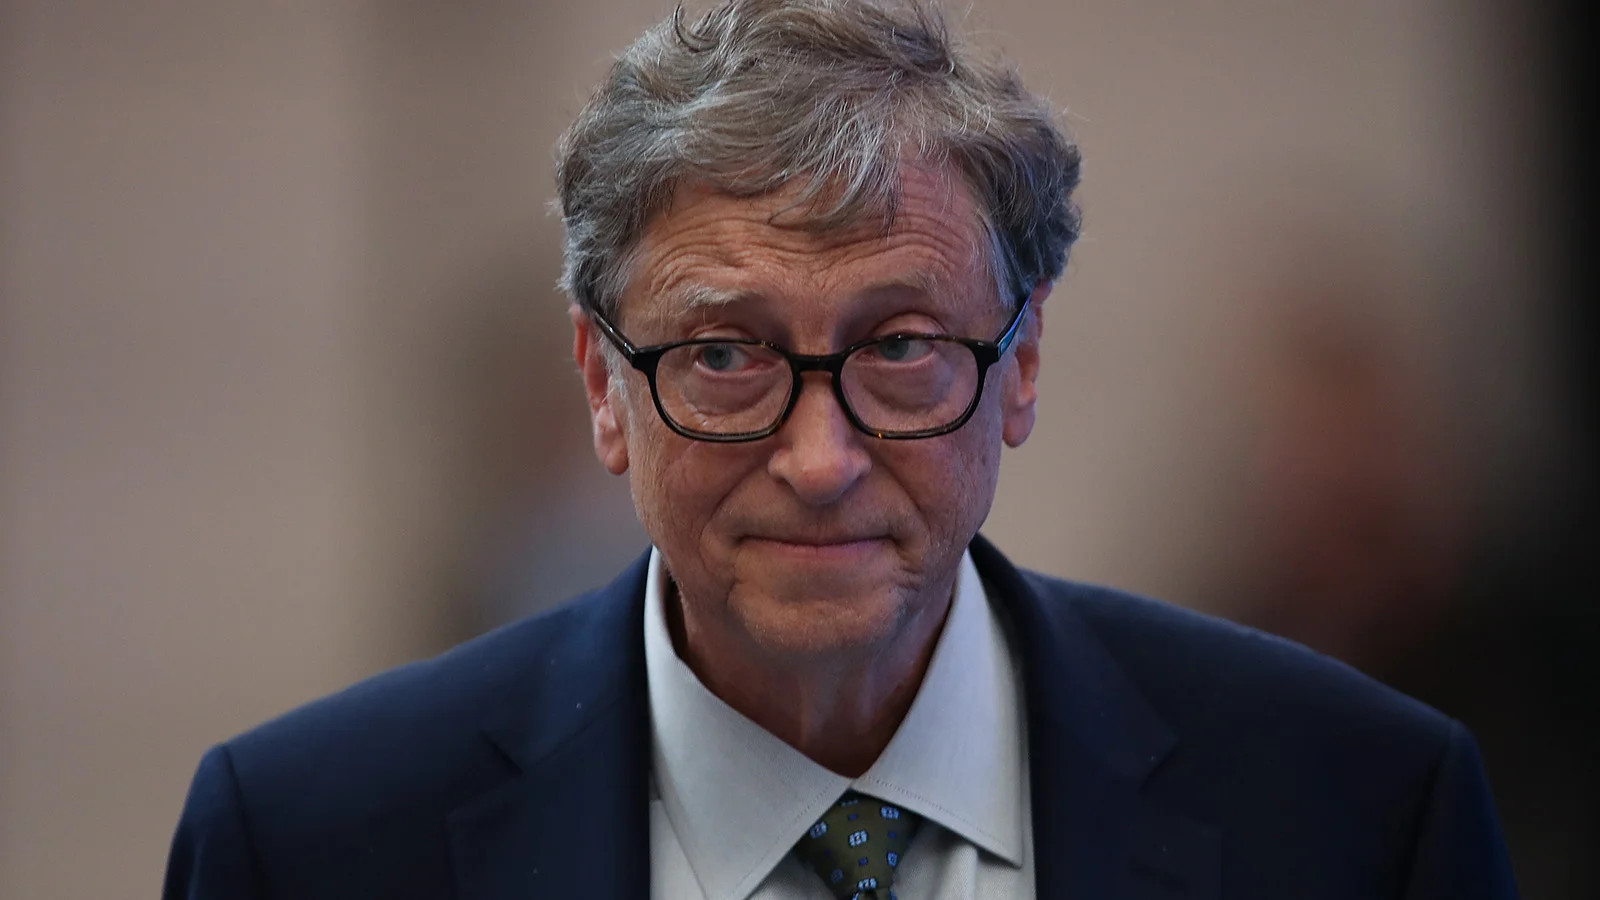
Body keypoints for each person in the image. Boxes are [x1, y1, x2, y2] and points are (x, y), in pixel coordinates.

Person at [163, 1, 1518, 897]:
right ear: (602, 384)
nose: (821, 461)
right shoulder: (308, 846)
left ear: (1021, 362)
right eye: (726, 355)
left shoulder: (1358, 811)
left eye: (901, 346)